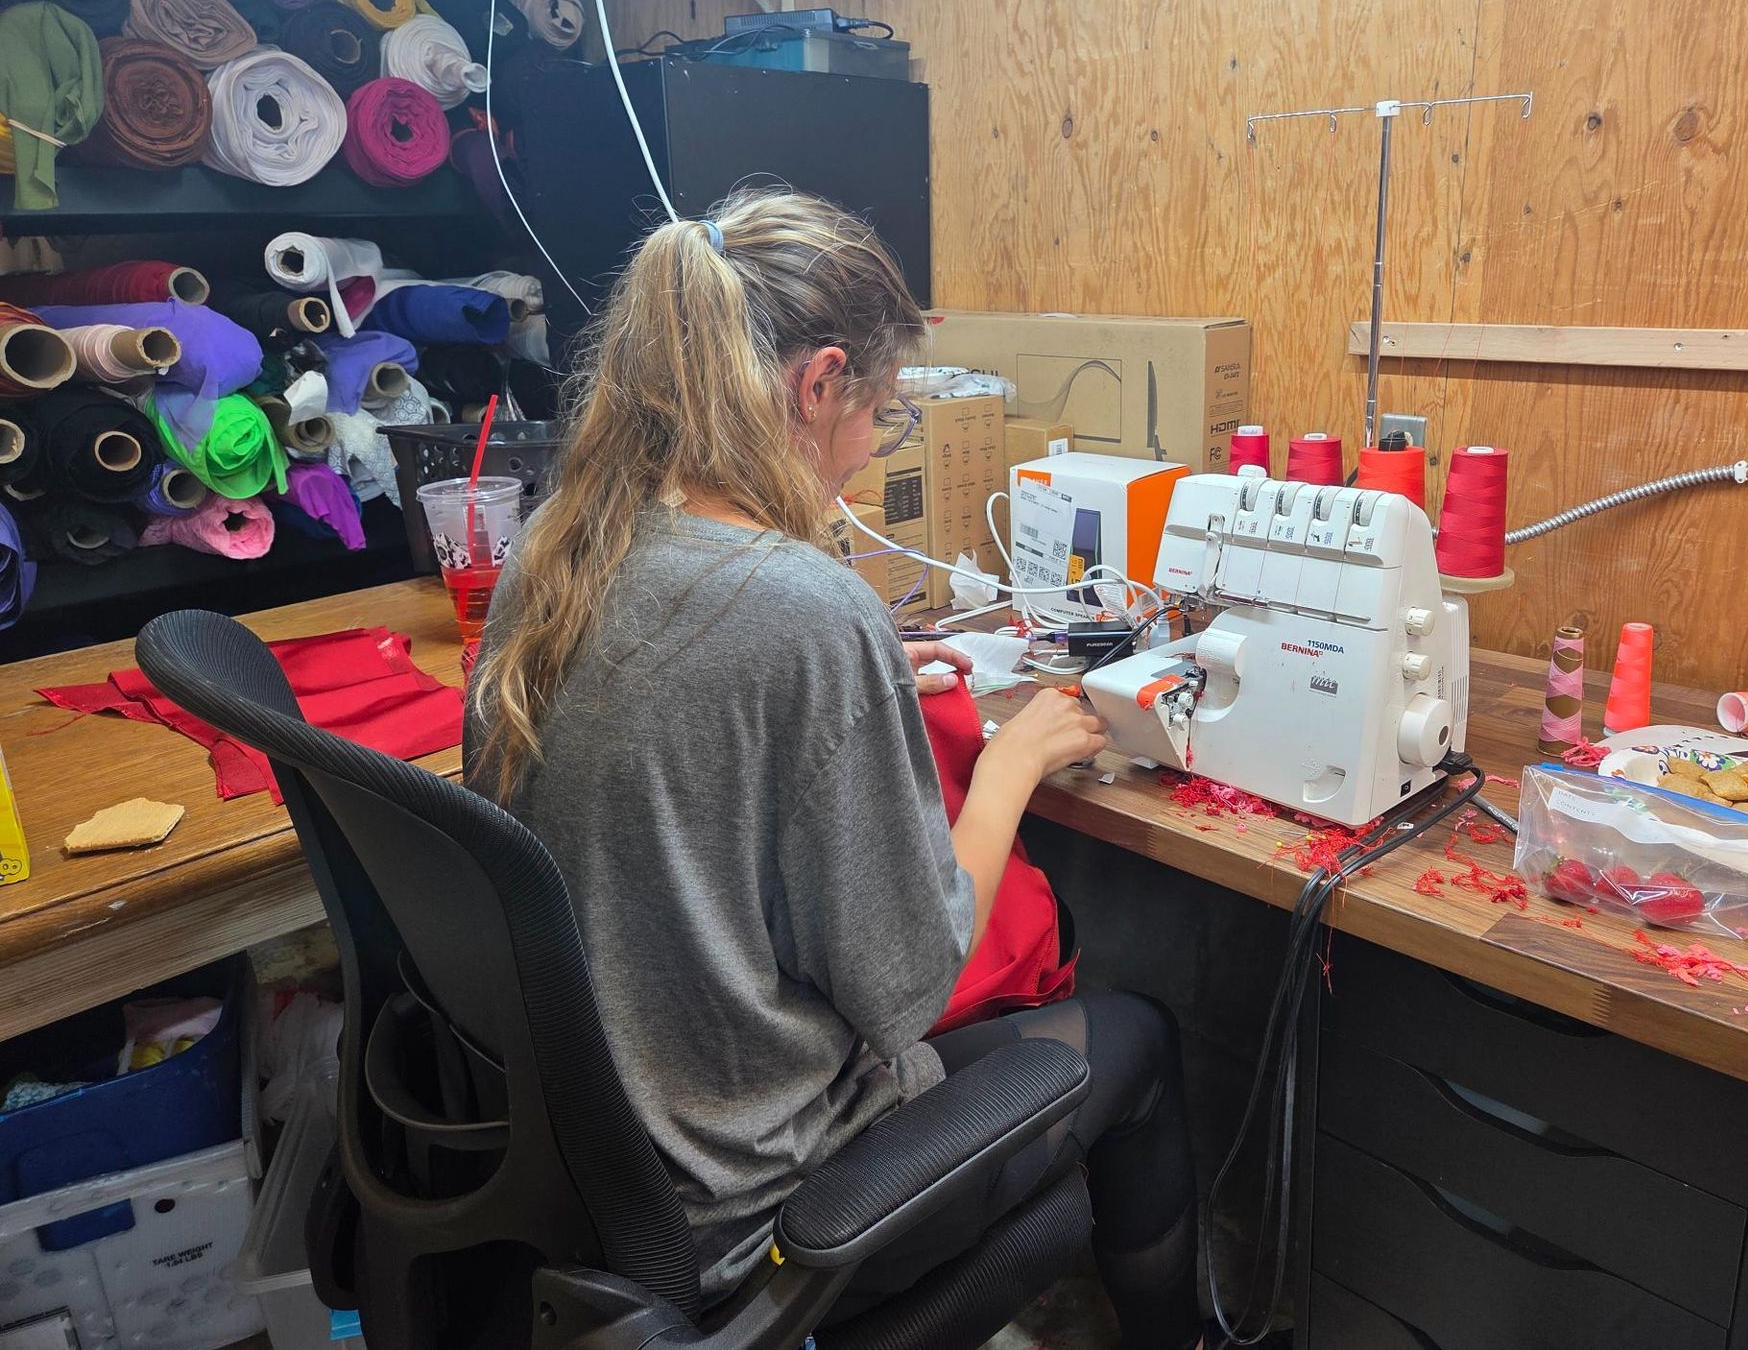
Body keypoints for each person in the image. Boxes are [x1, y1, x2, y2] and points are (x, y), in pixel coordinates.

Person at [466, 189, 1202, 1349]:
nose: (870, 448)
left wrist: (856, 690)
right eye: (882, 413)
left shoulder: (561, 545)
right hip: (751, 1198)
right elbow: (904, 993)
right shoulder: (803, 609)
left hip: (594, 1154)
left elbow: (690, 728)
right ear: (817, 385)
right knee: (1142, 1041)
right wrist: (1013, 757)